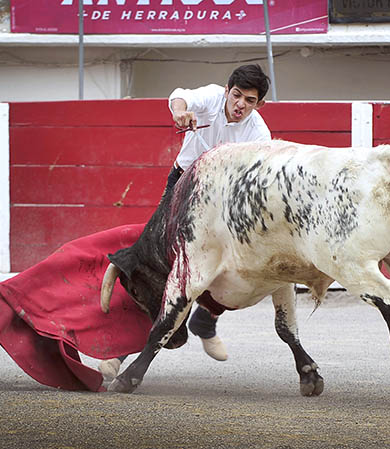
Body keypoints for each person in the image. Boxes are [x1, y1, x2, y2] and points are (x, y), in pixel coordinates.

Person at [99, 64, 271, 380]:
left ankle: (206, 319)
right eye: (236, 95)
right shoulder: (210, 98)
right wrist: (180, 112)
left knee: (222, 268)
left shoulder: (259, 134)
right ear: (227, 90)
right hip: (182, 184)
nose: (240, 105)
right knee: (157, 266)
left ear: (258, 104)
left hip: (221, 201)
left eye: (249, 100)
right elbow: (180, 96)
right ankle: (121, 352)